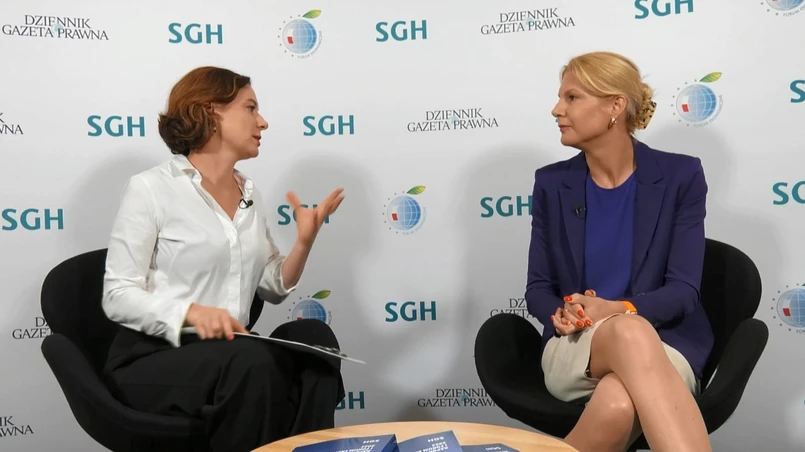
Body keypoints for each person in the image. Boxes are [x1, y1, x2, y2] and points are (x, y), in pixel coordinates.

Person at [100, 66, 346, 452]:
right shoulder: (150, 189)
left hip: (235, 352)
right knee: (249, 362)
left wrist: (304, 242)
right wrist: (191, 313)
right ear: (211, 111)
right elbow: (118, 295)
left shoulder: (250, 193)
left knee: (315, 342)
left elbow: (273, 286)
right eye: (250, 108)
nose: (262, 121)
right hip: (157, 355)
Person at [526, 51, 714, 452]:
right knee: (629, 331)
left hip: (665, 344)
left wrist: (618, 309)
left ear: (615, 106)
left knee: (617, 403)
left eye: (572, 98)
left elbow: (683, 292)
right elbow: (538, 289)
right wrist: (562, 314)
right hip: (576, 348)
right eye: (560, 97)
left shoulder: (681, 176)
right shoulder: (551, 184)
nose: (557, 109)